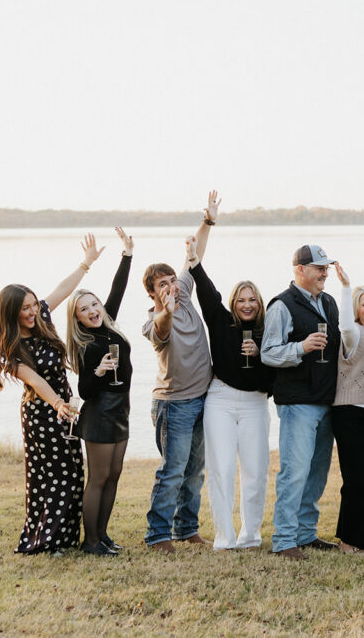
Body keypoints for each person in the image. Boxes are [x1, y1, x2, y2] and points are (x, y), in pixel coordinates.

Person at [0, 233, 105, 554]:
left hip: (65, 407)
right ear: (11, 313)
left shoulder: (41, 316)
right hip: (42, 413)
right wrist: (56, 402)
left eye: (33, 305)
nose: (33, 311)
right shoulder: (10, 347)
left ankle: (64, 538)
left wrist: (86, 263)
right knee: (53, 476)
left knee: (74, 470)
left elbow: (62, 290)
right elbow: (35, 380)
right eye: (25, 309)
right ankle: (46, 541)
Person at [142, 192, 218, 552]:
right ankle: (157, 535)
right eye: (162, 284)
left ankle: (186, 528)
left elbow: (195, 254)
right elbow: (161, 329)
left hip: (203, 398)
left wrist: (208, 221)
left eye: (171, 279)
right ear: (153, 294)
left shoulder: (185, 292)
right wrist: (167, 310)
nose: (171, 286)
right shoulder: (155, 321)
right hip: (174, 406)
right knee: (172, 471)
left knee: (194, 471)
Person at [187, 235, 273, 551]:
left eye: (252, 300)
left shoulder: (268, 331)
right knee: (221, 469)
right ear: (234, 303)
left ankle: (251, 536)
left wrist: (261, 355)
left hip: (255, 403)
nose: (246, 305)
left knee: (255, 471)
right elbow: (208, 293)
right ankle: (225, 537)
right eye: (241, 300)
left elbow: (273, 379)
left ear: (259, 303)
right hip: (220, 400)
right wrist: (194, 262)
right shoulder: (221, 321)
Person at [261, 243, 341, 561]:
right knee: (294, 472)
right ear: (300, 270)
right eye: (320, 268)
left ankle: (306, 533)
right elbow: (268, 352)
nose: (325, 273)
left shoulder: (330, 303)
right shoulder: (281, 305)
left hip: (327, 401)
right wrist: (301, 347)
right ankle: (284, 540)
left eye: (326, 268)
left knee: (317, 473)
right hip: (297, 403)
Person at [65, 227, 134, 556]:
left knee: (114, 475)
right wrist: (98, 371)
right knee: (99, 477)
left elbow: (117, 290)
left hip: (120, 410)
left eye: (95, 305)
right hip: (99, 415)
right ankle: (90, 541)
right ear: (77, 318)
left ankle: (103, 535)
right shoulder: (87, 344)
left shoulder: (108, 325)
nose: (93, 311)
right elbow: (84, 390)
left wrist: (127, 255)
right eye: (85, 309)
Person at [332, 264, 364, 554]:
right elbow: (343, 325)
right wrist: (345, 287)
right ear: (356, 309)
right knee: (356, 480)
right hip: (350, 412)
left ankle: (356, 538)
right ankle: (349, 542)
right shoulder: (353, 335)